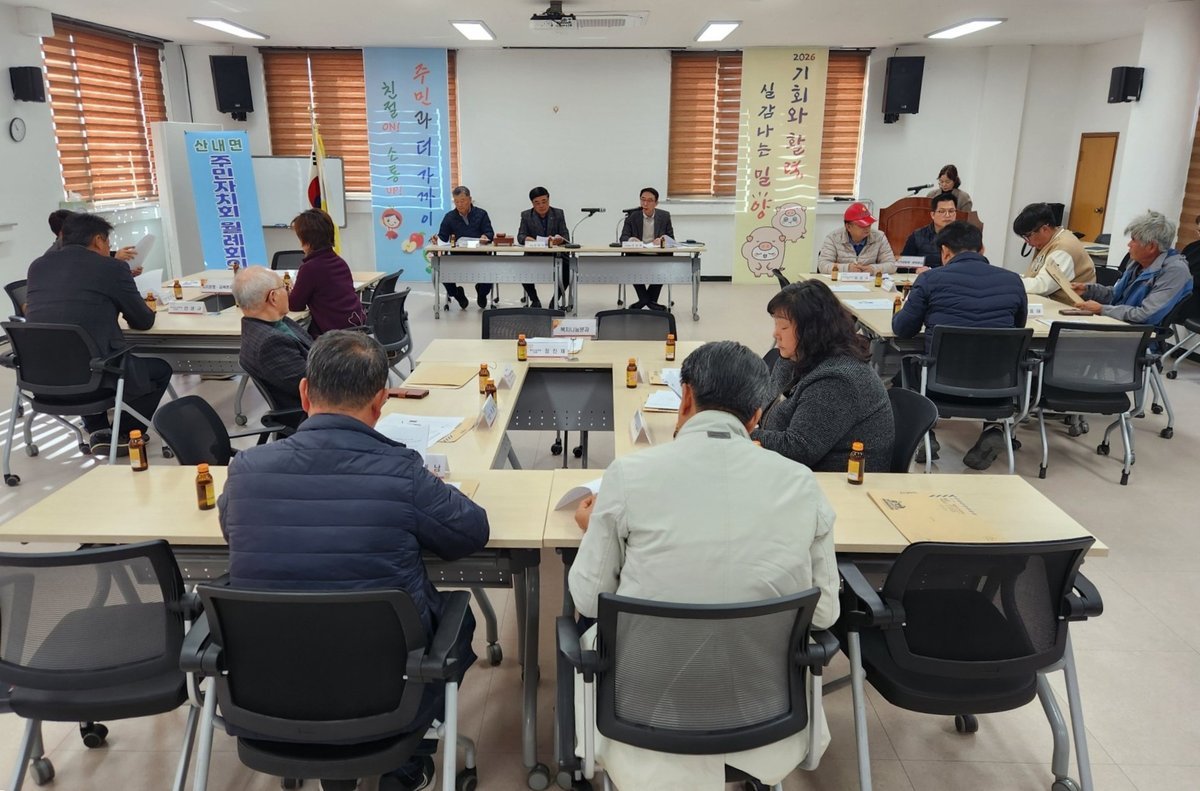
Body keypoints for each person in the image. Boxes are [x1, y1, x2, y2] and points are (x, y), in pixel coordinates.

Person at [219, 330, 490, 791]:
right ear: (381, 402)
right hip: (389, 696)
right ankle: (407, 762)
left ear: (304, 392)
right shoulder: (402, 471)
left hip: (271, 691)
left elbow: (233, 530)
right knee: (458, 620)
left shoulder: (245, 471)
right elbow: (472, 532)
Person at [568, 340, 839, 790]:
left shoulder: (629, 476)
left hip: (642, 715)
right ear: (757, 415)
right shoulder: (801, 484)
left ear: (686, 397)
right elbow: (825, 613)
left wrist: (593, 526)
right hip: (764, 718)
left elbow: (587, 598)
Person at [24, 212, 172, 455]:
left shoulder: (38, 266)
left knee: (78, 353)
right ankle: (125, 434)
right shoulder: (112, 268)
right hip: (93, 380)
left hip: (41, 379)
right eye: (108, 242)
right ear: (98, 240)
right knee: (160, 369)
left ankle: (98, 430)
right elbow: (143, 321)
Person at [892, 221, 1027, 470]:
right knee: (994, 358)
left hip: (938, 383)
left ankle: (924, 433)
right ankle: (994, 428)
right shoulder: (1013, 281)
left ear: (945, 251)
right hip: (998, 385)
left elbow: (903, 329)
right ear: (982, 249)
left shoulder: (930, 280)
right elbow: (1018, 330)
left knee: (903, 371)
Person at [753, 281, 894, 471]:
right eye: (775, 324)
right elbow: (766, 407)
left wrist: (741, 433)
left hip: (838, 479)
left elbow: (799, 448)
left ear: (812, 331)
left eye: (784, 327)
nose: (775, 333)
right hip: (794, 468)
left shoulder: (837, 380)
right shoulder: (794, 357)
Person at [1071, 210, 1193, 324]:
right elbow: (1116, 295)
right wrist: (1088, 290)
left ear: (1151, 247)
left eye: (1134, 240)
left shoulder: (1175, 271)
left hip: (1139, 333)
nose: (1129, 244)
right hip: (1116, 323)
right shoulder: (1137, 263)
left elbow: (1147, 315)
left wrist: (1102, 309)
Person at [232, 266, 312, 426]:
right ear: (273, 297)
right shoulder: (271, 343)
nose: (289, 291)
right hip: (312, 416)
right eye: (285, 287)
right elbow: (314, 388)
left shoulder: (276, 322)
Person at [287, 209, 365, 338]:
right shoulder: (339, 261)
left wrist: (287, 293)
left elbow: (295, 305)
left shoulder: (310, 268)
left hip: (333, 336)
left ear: (307, 240)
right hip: (353, 327)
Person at [1012, 202, 1096, 303]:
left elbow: (1042, 286)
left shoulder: (1064, 248)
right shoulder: (1049, 242)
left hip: (1069, 307)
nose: (1027, 242)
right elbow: (1034, 276)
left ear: (1044, 229)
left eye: (1028, 236)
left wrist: (1010, 282)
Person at [436, 185, 495, 309]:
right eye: (456, 201)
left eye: (462, 201)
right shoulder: (449, 217)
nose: (460, 204)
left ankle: (482, 292)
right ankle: (457, 294)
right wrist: (437, 239)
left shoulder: (481, 214)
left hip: (480, 255)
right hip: (458, 256)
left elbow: (490, 232)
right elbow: (443, 237)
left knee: (491, 270)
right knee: (443, 270)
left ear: (470, 199)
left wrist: (485, 236)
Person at [619, 186, 674, 310]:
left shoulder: (664, 216)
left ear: (656, 203)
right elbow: (623, 238)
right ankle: (650, 302)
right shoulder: (632, 217)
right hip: (638, 255)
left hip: (658, 255)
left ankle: (644, 301)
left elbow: (671, 238)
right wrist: (632, 240)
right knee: (630, 262)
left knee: (665, 262)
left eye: (649, 200)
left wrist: (662, 239)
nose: (645, 203)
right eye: (642, 199)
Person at [516, 186, 570, 308]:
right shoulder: (526, 215)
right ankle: (534, 300)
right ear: (532, 204)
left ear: (549, 200)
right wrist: (527, 239)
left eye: (544, 201)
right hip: (534, 254)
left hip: (555, 255)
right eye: (537, 203)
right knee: (522, 269)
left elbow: (565, 235)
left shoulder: (558, 214)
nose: (541, 205)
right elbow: (520, 236)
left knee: (568, 269)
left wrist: (559, 239)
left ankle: (555, 300)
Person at [45, 209, 140, 272]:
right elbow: (88, 274)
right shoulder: (57, 258)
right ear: (62, 233)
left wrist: (127, 271)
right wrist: (116, 262)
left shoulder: (75, 246)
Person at [817, 202, 896, 275]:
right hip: (841, 283)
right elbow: (823, 265)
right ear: (848, 227)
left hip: (869, 283)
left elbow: (892, 265)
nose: (867, 228)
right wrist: (847, 268)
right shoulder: (833, 238)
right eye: (862, 225)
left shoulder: (879, 237)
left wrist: (872, 269)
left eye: (869, 224)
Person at [900, 193, 960, 270]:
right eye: (942, 211)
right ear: (933, 215)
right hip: (927, 276)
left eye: (951, 211)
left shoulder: (965, 236)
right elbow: (902, 266)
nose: (947, 215)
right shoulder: (918, 236)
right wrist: (916, 269)